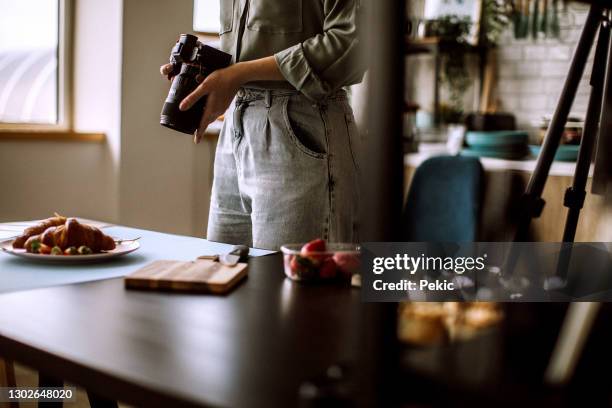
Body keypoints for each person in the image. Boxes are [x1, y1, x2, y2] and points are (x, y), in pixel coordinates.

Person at [161, 0, 364, 250]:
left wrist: (239, 74)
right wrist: (202, 61)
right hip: (235, 128)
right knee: (223, 273)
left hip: (300, 125)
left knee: (287, 282)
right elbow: (254, 49)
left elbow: (353, 44)